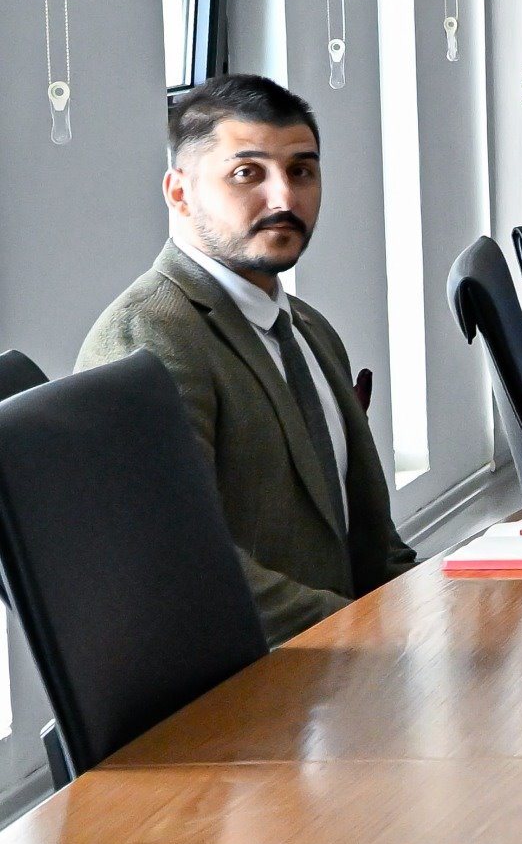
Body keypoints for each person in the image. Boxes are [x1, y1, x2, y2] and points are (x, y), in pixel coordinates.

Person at [78, 75, 414, 647]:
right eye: (247, 173)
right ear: (179, 193)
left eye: (301, 171)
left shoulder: (309, 328)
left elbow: (375, 544)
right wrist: (373, 634)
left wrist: (438, 611)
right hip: (247, 680)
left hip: (347, 658)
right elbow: (180, 568)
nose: (284, 199)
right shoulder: (148, 338)